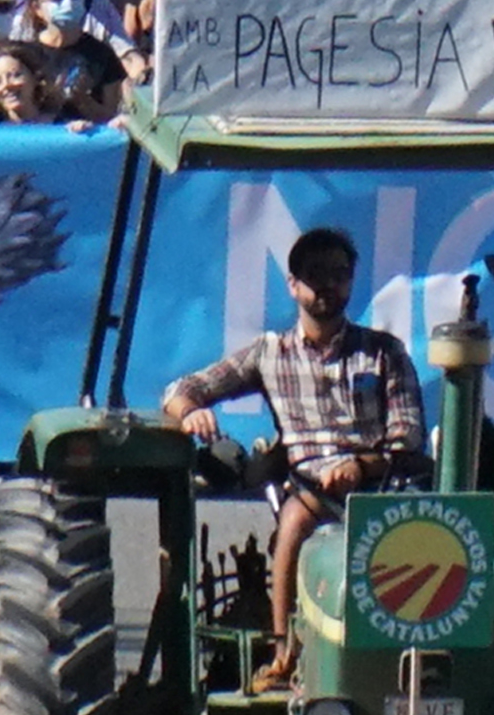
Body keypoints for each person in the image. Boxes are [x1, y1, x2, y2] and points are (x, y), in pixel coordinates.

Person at [149, 223, 424, 606]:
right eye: (316, 275)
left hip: (383, 486)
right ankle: (283, 639)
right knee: (293, 523)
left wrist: (361, 467)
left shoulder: (384, 351)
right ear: (293, 285)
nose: (328, 285)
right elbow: (180, 390)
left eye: (339, 275)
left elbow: (408, 435)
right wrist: (190, 412)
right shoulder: (269, 353)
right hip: (312, 490)